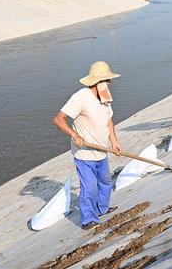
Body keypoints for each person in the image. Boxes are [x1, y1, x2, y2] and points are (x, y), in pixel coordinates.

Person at [52, 61, 122, 230]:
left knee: (105, 182)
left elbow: (109, 121)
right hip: (84, 154)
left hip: (101, 151)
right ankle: (88, 219)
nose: (109, 83)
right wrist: (74, 135)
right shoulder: (81, 97)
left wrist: (114, 141)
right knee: (89, 187)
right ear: (97, 82)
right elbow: (58, 119)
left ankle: (101, 209)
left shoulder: (105, 98)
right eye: (106, 80)